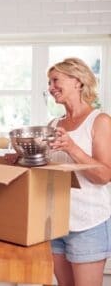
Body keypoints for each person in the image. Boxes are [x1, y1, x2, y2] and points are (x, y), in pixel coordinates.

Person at [47, 57, 111, 286]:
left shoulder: (100, 121)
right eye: (49, 82)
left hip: (88, 223)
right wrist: (21, 156)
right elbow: (50, 170)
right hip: (56, 222)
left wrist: (72, 148)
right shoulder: (54, 124)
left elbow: (104, 175)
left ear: (78, 81)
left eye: (56, 80)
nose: (51, 87)